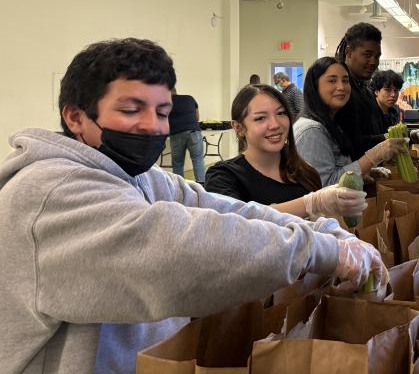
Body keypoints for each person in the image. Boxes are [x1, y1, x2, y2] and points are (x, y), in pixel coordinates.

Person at [0, 38, 386, 374]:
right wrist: (319, 249)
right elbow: (177, 249)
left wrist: (322, 230)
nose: (153, 127)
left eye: (163, 112)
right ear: (76, 117)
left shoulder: (137, 175)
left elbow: (217, 209)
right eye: (132, 110)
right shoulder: (49, 193)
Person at [205, 84, 366, 220]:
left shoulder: (304, 171)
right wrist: (311, 203)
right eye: (261, 118)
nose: (275, 124)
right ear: (238, 128)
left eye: (281, 113)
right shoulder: (223, 176)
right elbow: (237, 223)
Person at [293, 57, 406, 187]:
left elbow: (336, 172)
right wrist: (374, 156)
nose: (341, 87)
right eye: (332, 80)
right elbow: (324, 187)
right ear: (315, 85)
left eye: (345, 80)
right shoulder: (311, 131)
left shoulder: (332, 123)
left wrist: (362, 174)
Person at [334, 23, 389, 154]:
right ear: (349, 52)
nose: (373, 62)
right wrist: (387, 140)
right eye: (367, 55)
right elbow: (346, 143)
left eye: (377, 56)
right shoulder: (340, 92)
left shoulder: (364, 88)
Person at [167, 87, 205, 183]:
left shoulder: (165, 103)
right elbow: (197, 117)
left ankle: (179, 186)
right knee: (198, 160)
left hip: (176, 135)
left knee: (178, 163)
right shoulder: (189, 98)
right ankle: (202, 186)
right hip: (194, 132)